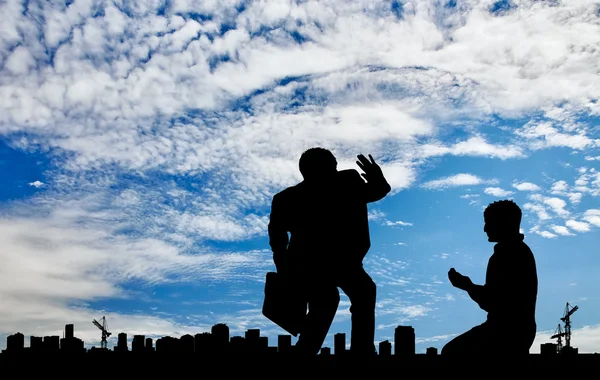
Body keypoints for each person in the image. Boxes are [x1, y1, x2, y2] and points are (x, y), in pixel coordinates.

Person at [267, 147, 391, 357]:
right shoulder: (345, 183)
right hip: (319, 263)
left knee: (341, 298)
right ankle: (357, 350)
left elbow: (277, 240)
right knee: (342, 297)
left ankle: (316, 351)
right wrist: (285, 273)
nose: (334, 168)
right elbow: (277, 239)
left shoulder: (289, 197)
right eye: (330, 165)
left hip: (332, 261)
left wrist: (377, 179)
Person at [441, 199, 538, 357]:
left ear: (503, 223)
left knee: (452, 353)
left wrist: (467, 286)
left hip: (505, 331)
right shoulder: (518, 252)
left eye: (489, 222)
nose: (485, 228)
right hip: (518, 331)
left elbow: (494, 302)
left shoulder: (507, 255)